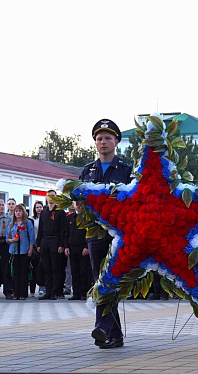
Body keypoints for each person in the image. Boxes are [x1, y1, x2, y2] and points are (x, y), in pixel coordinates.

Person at [84, 119, 133, 349]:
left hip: (118, 234)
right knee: (100, 279)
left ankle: (103, 327)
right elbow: (81, 200)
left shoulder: (126, 170)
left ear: (116, 142)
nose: (103, 142)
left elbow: (134, 200)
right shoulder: (88, 170)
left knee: (110, 279)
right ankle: (114, 333)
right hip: (95, 233)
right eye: (99, 139)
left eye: (107, 138)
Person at [36, 190, 66, 300]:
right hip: (45, 241)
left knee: (55, 268)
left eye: (53, 196)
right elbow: (40, 229)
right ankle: (47, 291)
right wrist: (38, 243)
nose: (51, 198)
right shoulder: (44, 212)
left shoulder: (60, 212)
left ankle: (55, 291)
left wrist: (61, 245)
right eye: (49, 196)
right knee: (46, 268)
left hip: (56, 240)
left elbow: (63, 230)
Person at [5, 204, 35, 300]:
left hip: (24, 250)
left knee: (24, 272)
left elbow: (31, 238)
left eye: (20, 211)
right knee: (15, 272)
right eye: (16, 211)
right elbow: (7, 239)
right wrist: (12, 240)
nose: (18, 213)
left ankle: (23, 293)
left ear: (23, 212)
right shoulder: (11, 224)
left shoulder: (27, 223)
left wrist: (30, 249)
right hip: (14, 251)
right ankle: (16, 292)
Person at [63, 201, 91, 301]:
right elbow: (66, 233)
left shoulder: (87, 217)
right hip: (72, 247)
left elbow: (90, 232)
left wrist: (87, 246)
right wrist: (66, 246)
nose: (78, 206)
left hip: (83, 247)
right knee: (74, 271)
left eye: (80, 204)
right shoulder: (69, 217)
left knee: (84, 271)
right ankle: (76, 293)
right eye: (76, 204)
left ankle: (84, 292)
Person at [29, 201, 44, 297]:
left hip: (43, 244)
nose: (39, 208)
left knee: (42, 267)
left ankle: (42, 287)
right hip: (33, 245)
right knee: (33, 268)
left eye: (40, 207)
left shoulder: (45, 218)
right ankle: (32, 289)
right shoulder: (31, 219)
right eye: (37, 207)